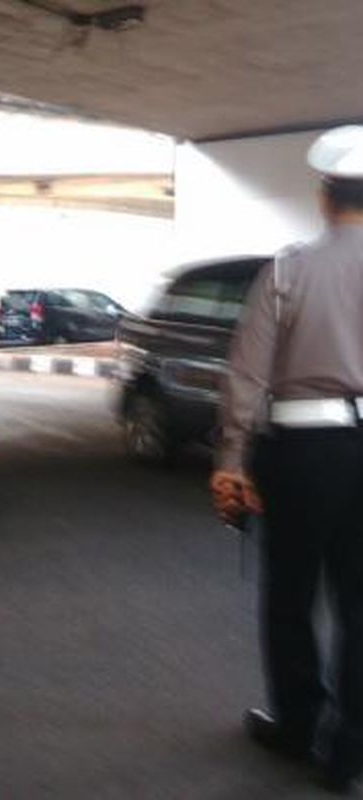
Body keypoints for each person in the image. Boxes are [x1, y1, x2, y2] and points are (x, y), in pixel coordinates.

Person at [212, 125, 363, 793]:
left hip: (303, 453)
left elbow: (247, 376)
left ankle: (299, 725)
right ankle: (350, 749)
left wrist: (233, 460)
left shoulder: (289, 268)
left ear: (325, 196)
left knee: (291, 594)